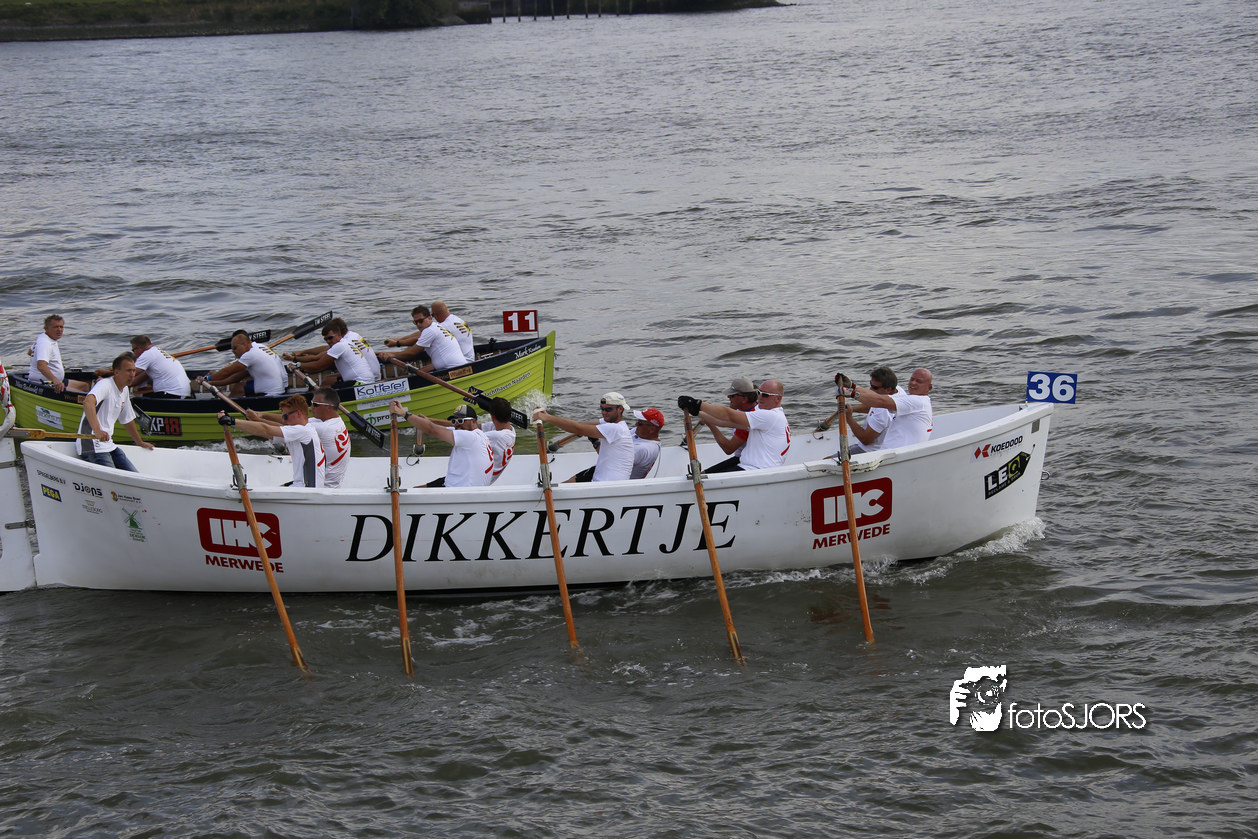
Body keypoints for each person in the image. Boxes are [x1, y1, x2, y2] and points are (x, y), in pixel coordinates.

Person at [241, 386, 351, 488]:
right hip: (327, 482)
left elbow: (287, 427)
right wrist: (262, 415)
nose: (311, 407)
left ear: (329, 407)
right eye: (311, 403)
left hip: (323, 487)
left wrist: (257, 420)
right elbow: (290, 419)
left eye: (315, 404)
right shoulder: (336, 422)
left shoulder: (323, 428)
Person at [678, 379, 790, 472]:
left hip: (756, 470)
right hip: (749, 465)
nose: (760, 397)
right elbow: (725, 422)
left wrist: (698, 404)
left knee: (705, 479)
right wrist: (696, 411)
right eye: (759, 393)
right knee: (704, 476)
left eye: (765, 395)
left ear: (778, 398)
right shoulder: (764, 414)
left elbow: (728, 415)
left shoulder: (770, 416)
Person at [219, 394, 325, 487]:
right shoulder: (302, 430)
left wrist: (231, 421)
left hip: (307, 490)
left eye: (285, 416)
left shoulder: (303, 431)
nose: (283, 420)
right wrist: (236, 423)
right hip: (305, 485)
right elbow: (263, 432)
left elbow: (266, 429)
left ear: (298, 413)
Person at [76, 353, 155, 470]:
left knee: (133, 475)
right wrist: (97, 430)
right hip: (92, 444)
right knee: (112, 477)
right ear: (116, 372)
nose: (132, 375)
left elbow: (127, 419)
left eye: (134, 371)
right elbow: (88, 402)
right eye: (128, 371)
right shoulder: (105, 385)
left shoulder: (125, 390)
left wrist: (139, 442)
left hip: (109, 444)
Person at [534, 392, 635, 482]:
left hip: (608, 485)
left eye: (608, 409)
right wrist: (547, 415)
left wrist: (547, 418)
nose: (604, 412)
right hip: (602, 480)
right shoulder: (609, 422)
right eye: (602, 409)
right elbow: (580, 424)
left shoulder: (616, 428)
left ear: (620, 409)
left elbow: (578, 428)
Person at [390, 401, 493, 488]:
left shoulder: (469, 437)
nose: (457, 424)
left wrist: (404, 414)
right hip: (454, 482)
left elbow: (432, 429)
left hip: (457, 491)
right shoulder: (478, 434)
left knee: (411, 496)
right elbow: (442, 427)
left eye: (461, 420)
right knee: (414, 490)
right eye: (454, 421)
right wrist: (428, 420)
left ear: (474, 422)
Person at [844, 367, 934, 449]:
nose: (913, 383)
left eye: (919, 381)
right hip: (887, 452)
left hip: (892, 456)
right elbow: (876, 399)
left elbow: (879, 401)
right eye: (912, 379)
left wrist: (851, 394)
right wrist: (852, 386)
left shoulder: (917, 401)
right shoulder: (901, 393)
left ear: (929, 387)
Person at [281, 317, 380, 385]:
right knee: (328, 381)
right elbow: (324, 356)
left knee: (327, 391)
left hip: (362, 383)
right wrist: (302, 354)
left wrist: (297, 363)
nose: (328, 341)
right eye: (325, 339)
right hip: (367, 378)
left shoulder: (341, 345)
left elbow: (319, 364)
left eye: (330, 338)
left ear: (339, 334)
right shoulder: (349, 338)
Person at [378, 305, 466, 374]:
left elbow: (412, 353)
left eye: (421, 321)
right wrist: (397, 343)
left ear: (429, 318)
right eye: (415, 322)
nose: (418, 324)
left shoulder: (430, 331)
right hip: (456, 367)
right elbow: (416, 341)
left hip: (453, 370)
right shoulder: (435, 326)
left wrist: (392, 355)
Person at [198, 330, 286, 397]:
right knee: (239, 387)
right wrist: (212, 381)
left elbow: (227, 372)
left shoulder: (250, 355)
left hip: (271, 393)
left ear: (244, 344)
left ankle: (225, 410)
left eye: (234, 348)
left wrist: (207, 378)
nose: (232, 351)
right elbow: (236, 377)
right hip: (279, 385)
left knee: (238, 390)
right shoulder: (258, 347)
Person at [701, 377, 758, 472]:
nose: (728, 397)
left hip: (751, 463)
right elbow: (722, 416)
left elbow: (728, 449)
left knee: (705, 478)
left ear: (744, 399)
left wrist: (710, 424)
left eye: (732, 395)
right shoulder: (744, 408)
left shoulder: (749, 419)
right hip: (741, 458)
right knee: (702, 474)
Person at [840, 366, 902, 454]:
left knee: (826, 459)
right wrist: (852, 409)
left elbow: (865, 440)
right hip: (877, 444)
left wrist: (849, 418)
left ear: (888, 389)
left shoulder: (883, 412)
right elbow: (871, 405)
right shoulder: (898, 390)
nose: (870, 389)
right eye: (871, 385)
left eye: (874, 387)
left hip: (869, 451)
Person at [28, 314, 89, 394]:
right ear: (46, 328)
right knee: (83, 394)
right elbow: (41, 366)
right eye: (56, 327)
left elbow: (30, 352)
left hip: (54, 380)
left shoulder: (44, 337)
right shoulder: (45, 343)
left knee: (85, 386)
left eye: (61, 327)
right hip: (45, 383)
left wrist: (55, 363)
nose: (59, 330)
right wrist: (55, 381)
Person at [128, 335, 192, 397]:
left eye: (133, 350)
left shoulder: (148, 354)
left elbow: (130, 373)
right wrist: (128, 383)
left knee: (136, 397)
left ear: (139, 349)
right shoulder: (158, 352)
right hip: (184, 393)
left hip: (171, 394)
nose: (134, 353)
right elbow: (141, 376)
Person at [630, 408, 665, 479]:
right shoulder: (640, 432)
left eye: (640, 423)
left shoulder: (643, 449)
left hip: (620, 482)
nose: (636, 424)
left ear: (652, 430)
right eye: (638, 421)